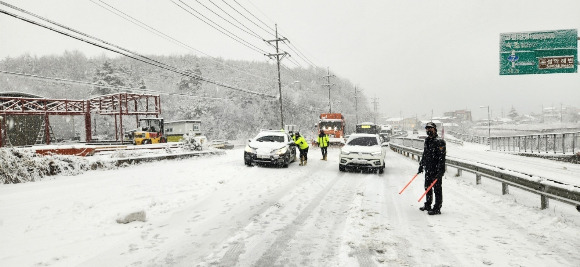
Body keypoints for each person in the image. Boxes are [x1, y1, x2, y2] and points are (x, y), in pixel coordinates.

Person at [417, 122, 446, 215]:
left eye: (430, 128)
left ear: (435, 129)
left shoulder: (440, 141)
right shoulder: (427, 141)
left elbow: (442, 158)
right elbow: (425, 154)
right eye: (427, 128)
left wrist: (440, 171)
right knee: (427, 187)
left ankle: (437, 207)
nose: (429, 130)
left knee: (437, 189)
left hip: (436, 170)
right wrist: (421, 165)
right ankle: (428, 204)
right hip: (428, 169)